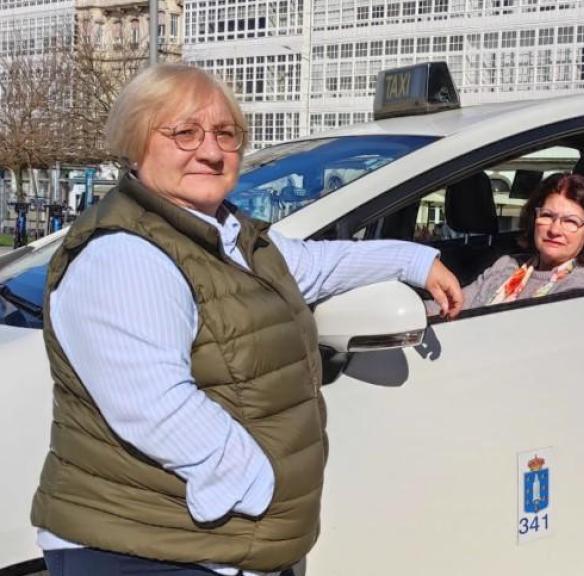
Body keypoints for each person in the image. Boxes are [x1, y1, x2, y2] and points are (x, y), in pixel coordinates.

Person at [31, 64, 462, 575]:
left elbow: (316, 266)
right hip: (153, 548)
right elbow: (154, 407)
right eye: (184, 133)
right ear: (137, 141)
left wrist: (415, 261)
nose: (211, 151)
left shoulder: (227, 234)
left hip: (214, 540)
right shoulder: (127, 255)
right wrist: (259, 486)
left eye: (225, 133)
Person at [428, 173, 584, 314]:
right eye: (546, 216)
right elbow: (454, 304)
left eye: (570, 222)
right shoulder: (507, 265)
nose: (555, 230)